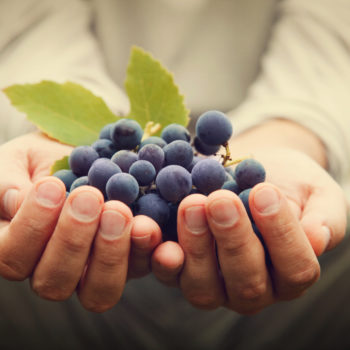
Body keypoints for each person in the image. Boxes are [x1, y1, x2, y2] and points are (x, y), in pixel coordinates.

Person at [0, 0, 349, 349]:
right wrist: (48, 134)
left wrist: (295, 132)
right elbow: (26, 17)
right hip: (64, 273)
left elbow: (334, 27)